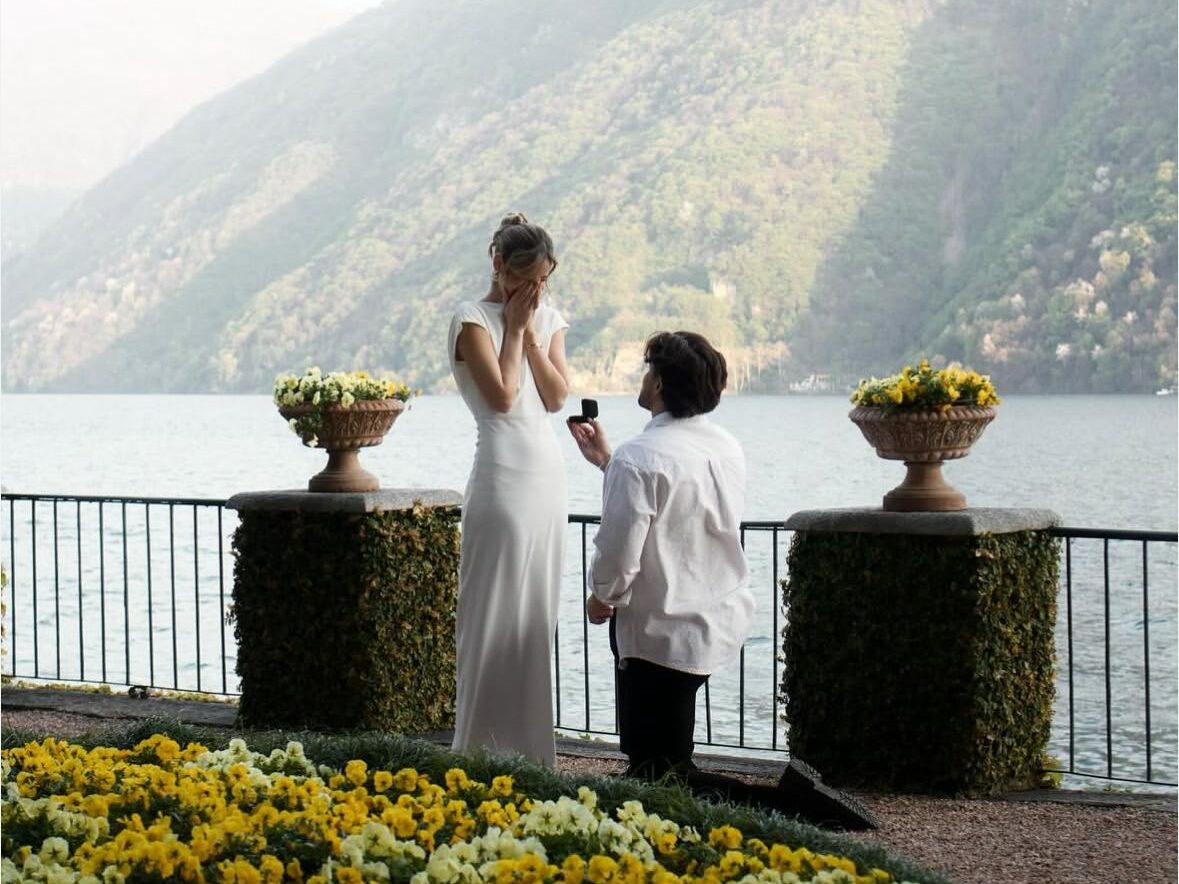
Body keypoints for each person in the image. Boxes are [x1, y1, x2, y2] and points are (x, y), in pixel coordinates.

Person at [567, 330, 876, 829]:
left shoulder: (638, 458)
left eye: (649, 371)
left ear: (661, 383)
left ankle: (799, 807)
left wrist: (601, 598)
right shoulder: (723, 447)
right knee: (664, 759)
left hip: (657, 633)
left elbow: (620, 553)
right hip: (713, 619)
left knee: (658, 772)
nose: (644, 380)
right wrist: (606, 462)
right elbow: (676, 511)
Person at [447, 212, 570, 766]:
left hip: (546, 475)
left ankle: (531, 753)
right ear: (498, 265)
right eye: (526, 280)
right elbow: (501, 396)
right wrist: (516, 329)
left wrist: (536, 334)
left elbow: (556, 397)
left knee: (533, 616)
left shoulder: (548, 319)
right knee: (492, 611)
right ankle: (478, 751)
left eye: (544, 280)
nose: (535, 291)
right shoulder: (471, 319)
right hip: (500, 475)